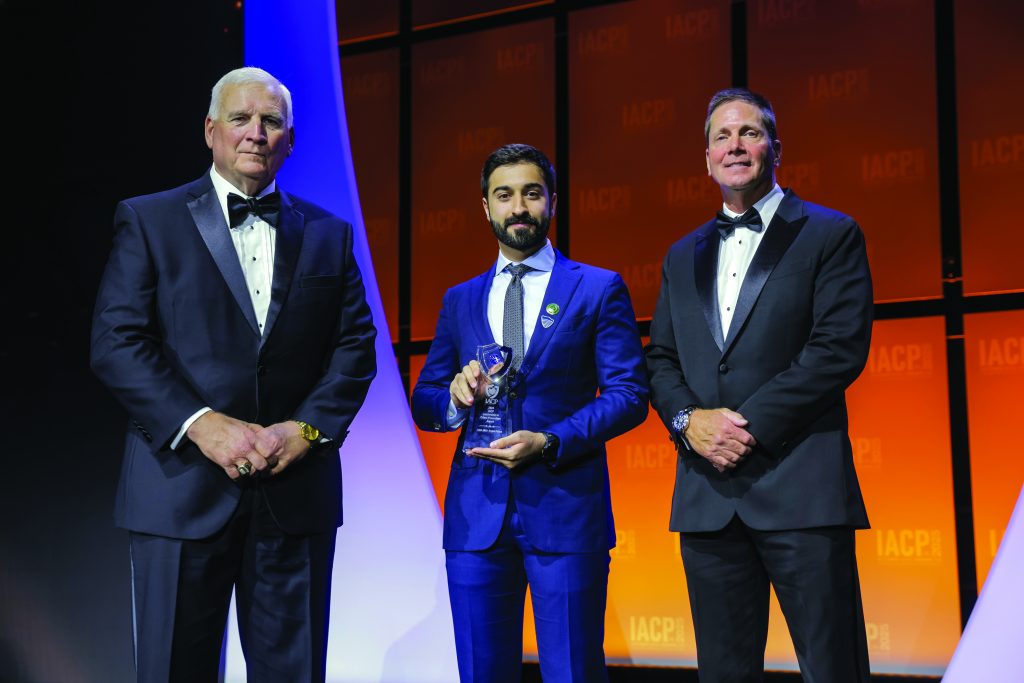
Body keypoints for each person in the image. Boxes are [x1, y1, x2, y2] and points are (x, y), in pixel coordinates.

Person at [90, 67, 377, 682]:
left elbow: (355, 348)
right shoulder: (148, 219)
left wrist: (305, 431)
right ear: (210, 131)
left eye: (271, 121)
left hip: (293, 495)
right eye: (241, 119)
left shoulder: (330, 233)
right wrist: (201, 425)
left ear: (291, 141)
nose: (256, 133)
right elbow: (117, 342)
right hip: (179, 492)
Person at [646, 88, 873, 682]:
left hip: (802, 491)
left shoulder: (831, 232)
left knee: (833, 668)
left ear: (775, 147)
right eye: (722, 136)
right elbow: (661, 360)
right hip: (707, 501)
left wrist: (739, 427)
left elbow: (837, 350)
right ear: (707, 158)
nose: (735, 145)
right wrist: (688, 423)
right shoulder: (678, 255)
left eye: (749, 132)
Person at [411, 143, 648, 682]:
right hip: (476, 516)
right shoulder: (460, 300)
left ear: (552, 202)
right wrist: (454, 396)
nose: (518, 207)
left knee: (573, 671)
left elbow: (629, 394)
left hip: (565, 508)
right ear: (486, 208)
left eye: (531, 193)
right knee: (480, 672)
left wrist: (550, 440)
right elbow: (426, 401)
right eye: (504, 195)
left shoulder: (596, 287)